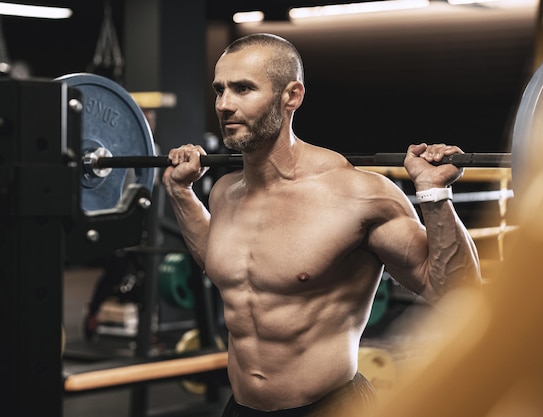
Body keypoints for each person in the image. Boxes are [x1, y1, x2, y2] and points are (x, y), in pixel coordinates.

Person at [163, 33, 481, 416]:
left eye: (243, 89)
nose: (225, 105)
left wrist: (432, 193)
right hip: (242, 407)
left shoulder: (358, 195)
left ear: (291, 96)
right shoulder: (225, 193)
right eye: (219, 90)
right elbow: (217, 262)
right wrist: (181, 193)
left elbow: (456, 294)